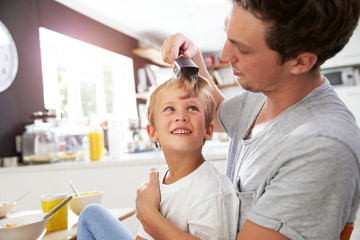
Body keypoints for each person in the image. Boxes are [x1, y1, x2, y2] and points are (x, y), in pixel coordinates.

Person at [136, 0, 360, 240]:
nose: (225, 55)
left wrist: (150, 218)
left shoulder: (322, 150)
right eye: (228, 35)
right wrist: (194, 56)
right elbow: (216, 110)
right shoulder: (260, 97)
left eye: (243, 49)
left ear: (300, 61)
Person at [77, 74, 239, 240]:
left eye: (192, 108)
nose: (181, 116)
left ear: (208, 130)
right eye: (170, 109)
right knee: (91, 214)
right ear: (153, 132)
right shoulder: (158, 180)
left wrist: (148, 213)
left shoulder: (212, 191)